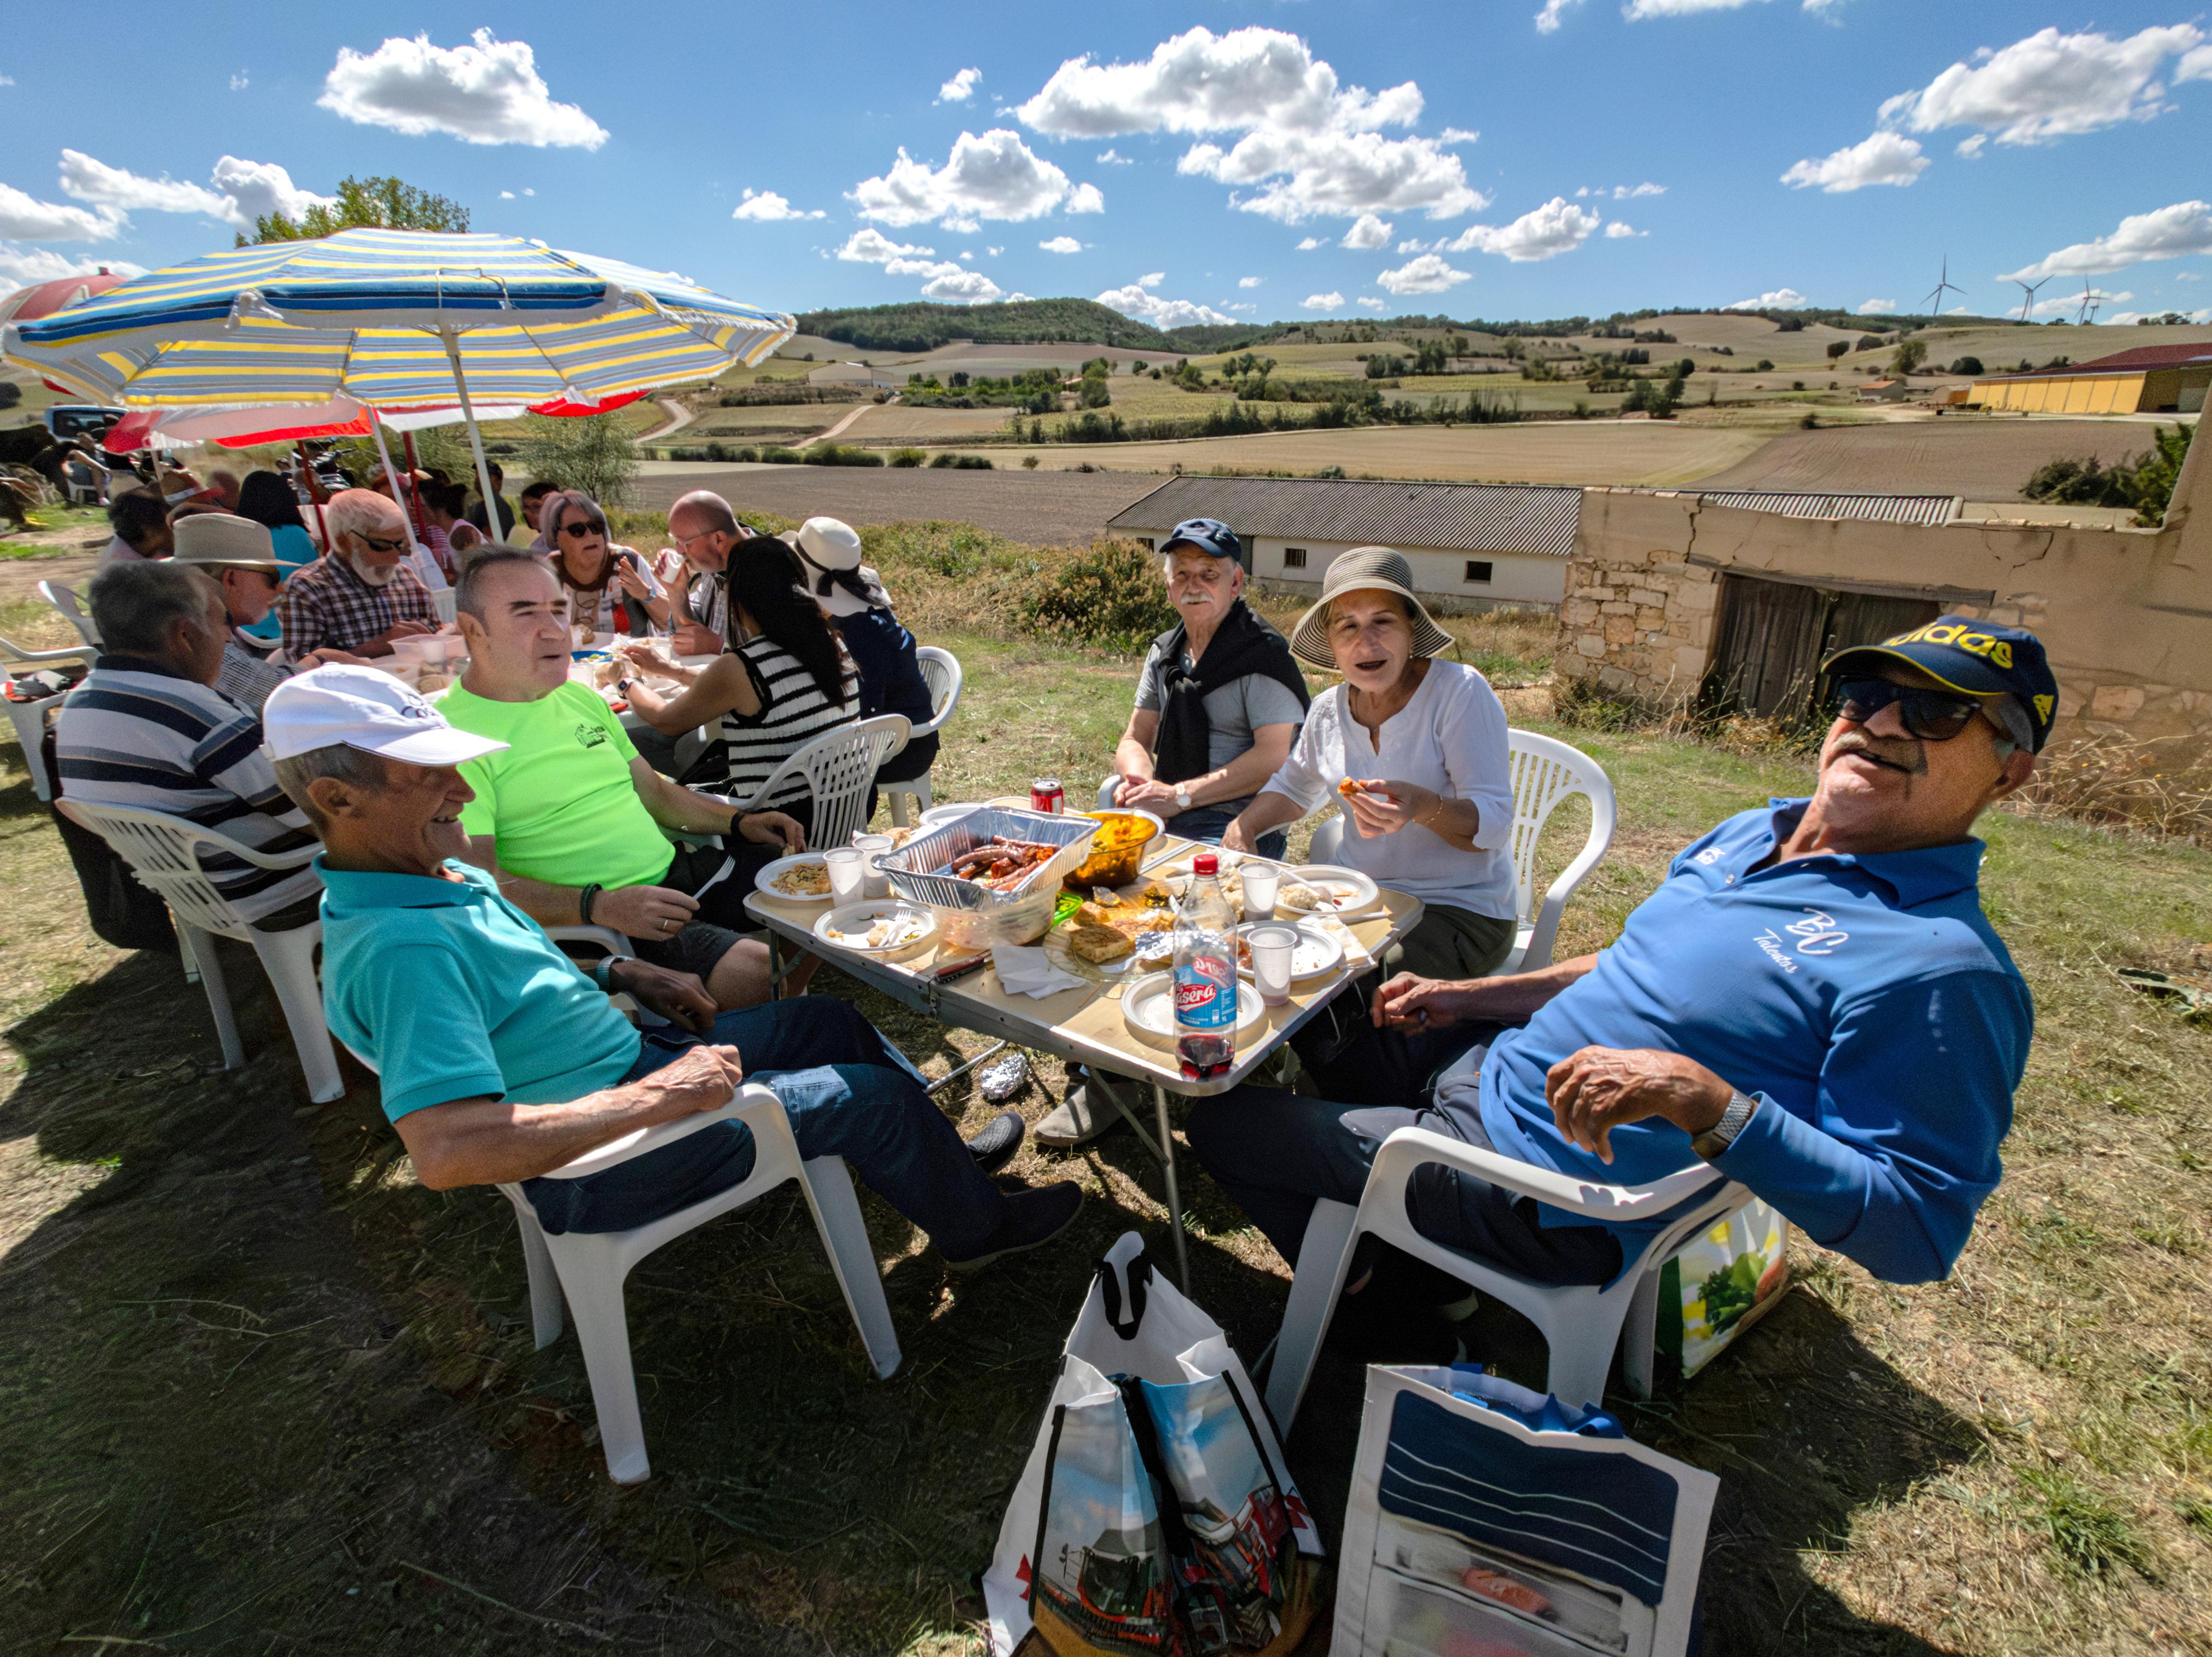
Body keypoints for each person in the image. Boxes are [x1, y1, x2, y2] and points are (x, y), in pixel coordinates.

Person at [1188, 616, 2055, 1328]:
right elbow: (1631, 967)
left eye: (1935, 715)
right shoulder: (1754, 833)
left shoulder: (1937, 966)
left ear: (2008, 770)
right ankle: (1398, 1248)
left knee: (1222, 1120)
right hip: (1489, 1066)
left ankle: (1384, 1306)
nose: (1883, 724)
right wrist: (1468, 996)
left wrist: (1707, 1104)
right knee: (1333, 1007)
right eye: (1865, 698)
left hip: (1540, 1186)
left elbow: (1918, 1229)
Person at [264, 665, 1077, 1265]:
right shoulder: (401, 947)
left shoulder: (433, 876)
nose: (461, 793)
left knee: (826, 1019)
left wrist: (618, 976)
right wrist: (656, 1098)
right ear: (338, 798)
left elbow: (502, 992)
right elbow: (448, 1151)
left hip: (629, 1063)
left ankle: (943, 1167)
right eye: (426, 775)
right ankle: (980, 1233)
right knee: (863, 1097)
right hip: (602, 1164)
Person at [434, 552, 799, 1010]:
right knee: (758, 973)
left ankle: (768, 1020)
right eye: (525, 612)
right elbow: (477, 883)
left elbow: (656, 794)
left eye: (557, 609)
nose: (554, 630)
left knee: (815, 891)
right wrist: (598, 906)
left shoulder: (577, 697)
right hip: (601, 922)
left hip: (674, 874)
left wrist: (741, 821)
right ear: (472, 630)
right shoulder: (451, 741)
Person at [1226, 547, 1517, 992]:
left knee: (1344, 988)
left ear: (1410, 631)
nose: (1367, 642)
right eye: (1348, 626)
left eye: (1383, 621)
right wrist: (1244, 826)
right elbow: (1292, 787)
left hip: (1457, 911)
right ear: (1331, 645)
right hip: (1355, 900)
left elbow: (1493, 828)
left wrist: (1422, 806)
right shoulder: (1327, 710)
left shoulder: (1458, 693)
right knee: (1257, 953)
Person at [51, 560, 322, 928]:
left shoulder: (79, 706)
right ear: (183, 635)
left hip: (188, 891)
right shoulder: (197, 713)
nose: (229, 638)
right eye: (221, 622)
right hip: (270, 886)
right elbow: (311, 816)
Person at [617, 536, 858, 830]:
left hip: (776, 820)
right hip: (845, 807)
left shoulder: (743, 666)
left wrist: (627, 682)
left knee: (656, 789)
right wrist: (670, 670)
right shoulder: (830, 644)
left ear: (738, 596)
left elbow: (666, 721)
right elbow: (754, 688)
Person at [1111, 519, 1308, 860]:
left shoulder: (1262, 655)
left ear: (1235, 583)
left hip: (1236, 822)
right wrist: (1142, 786)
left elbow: (1273, 759)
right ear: (1169, 587)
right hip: (1167, 811)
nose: (1194, 585)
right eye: (1182, 574)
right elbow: (1135, 737)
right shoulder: (1165, 652)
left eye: (1209, 574)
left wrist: (1178, 796)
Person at [789, 515, 939, 799]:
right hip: (894, 732)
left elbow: (865, 715)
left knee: (796, 779)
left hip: (902, 748)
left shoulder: (859, 632)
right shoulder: (859, 614)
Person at [164, 513, 362, 711]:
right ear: (232, 578)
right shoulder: (196, 633)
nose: (280, 589)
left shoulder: (183, 621)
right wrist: (320, 658)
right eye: (272, 578)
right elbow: (275, 693)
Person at [276, 488, 440, 659]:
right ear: (344, 540)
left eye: (400, 544)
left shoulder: (403, 576)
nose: (395, 558)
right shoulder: (307, 587)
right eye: (382, 545)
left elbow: (436, 631)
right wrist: (373, 648)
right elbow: (301, 670)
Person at [544, 489, 670, 638]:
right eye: (577, 530)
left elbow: (670, 621)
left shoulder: (627, 561)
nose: (590, 535)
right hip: (572, 660)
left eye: (596, 526)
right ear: (556, 536)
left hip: (629, 659)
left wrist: (646, 593)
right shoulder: (550, 571)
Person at [663, 489, 751, 654]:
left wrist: (718, 647)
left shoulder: (768, 571)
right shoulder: (713, 563)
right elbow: (694, 636)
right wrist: (677, 595)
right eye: (675, 540)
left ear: (718, 539)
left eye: (684, 542)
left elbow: (781, 661)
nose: (679, 550)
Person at [98, 489, 172, 567]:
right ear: (149, 531)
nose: (171, 529)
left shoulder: (153, 549)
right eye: (166, 524)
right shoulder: (121, 562)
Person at [464, 460, 518, 541]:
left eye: (486, 476)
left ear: (499, 483)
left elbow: (492, 539)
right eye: (477, 474)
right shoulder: (480, 505)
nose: (479, 478)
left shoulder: (496, 505)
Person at [514, 478, 557, 549]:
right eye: (526, 507)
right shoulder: (537, 545)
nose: (528, 513)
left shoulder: (567, 543)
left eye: (537, 507)